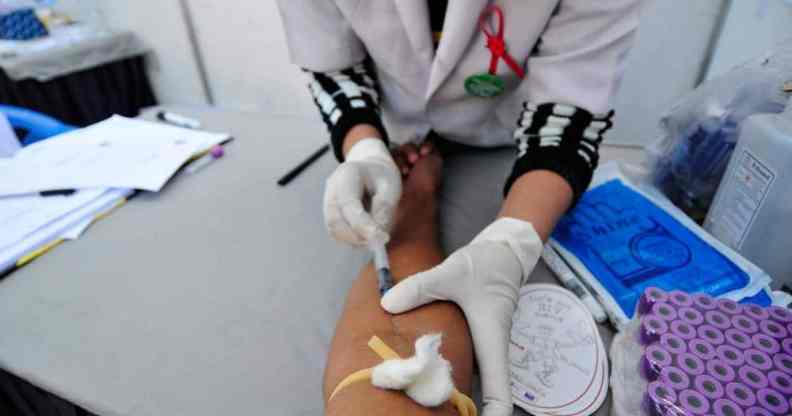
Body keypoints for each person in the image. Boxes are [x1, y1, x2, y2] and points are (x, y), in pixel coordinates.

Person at [277, 2, 644, 415]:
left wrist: (511, 242)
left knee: (408, 246)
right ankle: (416, 195)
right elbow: (332, 65)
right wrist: (362, 144)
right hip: (394, 119)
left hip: (504, 128)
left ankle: (417, 199)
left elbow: (568, 113)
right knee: (407, 239)